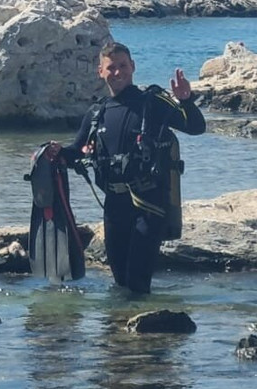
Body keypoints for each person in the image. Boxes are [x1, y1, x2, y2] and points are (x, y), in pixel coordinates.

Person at [48, 42, 205, 294]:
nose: (118, 72)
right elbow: (76, 152)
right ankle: (120, 331)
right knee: (120, 280)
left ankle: (146, 329)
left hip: (149, 205)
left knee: (137, 281)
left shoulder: (152, 103)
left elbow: (196, 128)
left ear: (133, 67)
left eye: (123, 66)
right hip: (114, 206)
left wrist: (186, 101)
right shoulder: (97, 112)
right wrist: (56, 152)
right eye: (111, 68)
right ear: (100, 71)